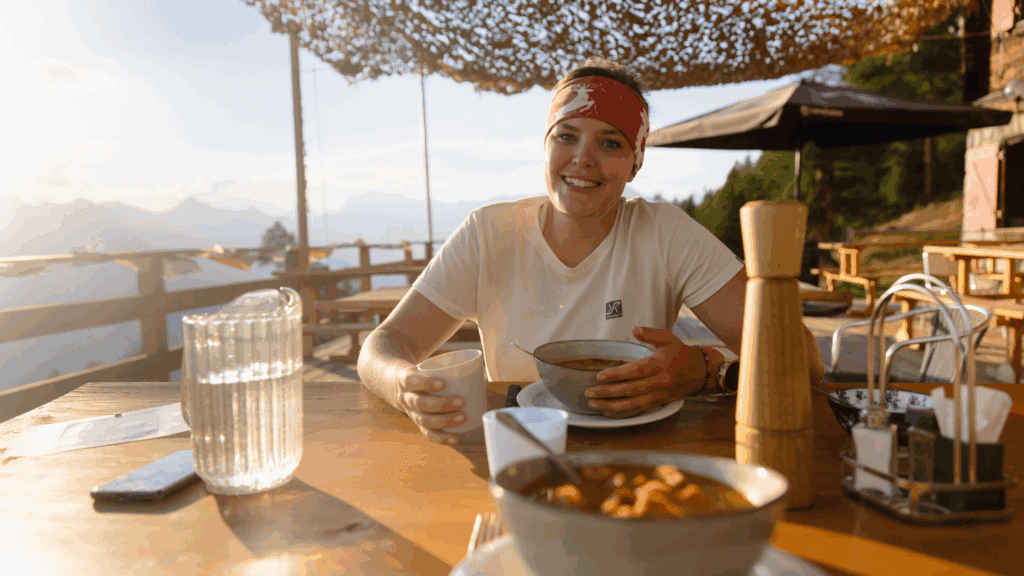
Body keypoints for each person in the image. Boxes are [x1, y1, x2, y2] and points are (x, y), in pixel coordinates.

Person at [358, 58, 825, 445]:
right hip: (519, 450)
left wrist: (706, 369)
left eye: (610, 142)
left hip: (641, 450)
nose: (583, 157)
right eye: (566, 135)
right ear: (545, 146)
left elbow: (802, 359)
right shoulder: (488, 232)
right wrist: (403, 386)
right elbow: (383, 346)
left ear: (634, 163)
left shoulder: (665, 232)